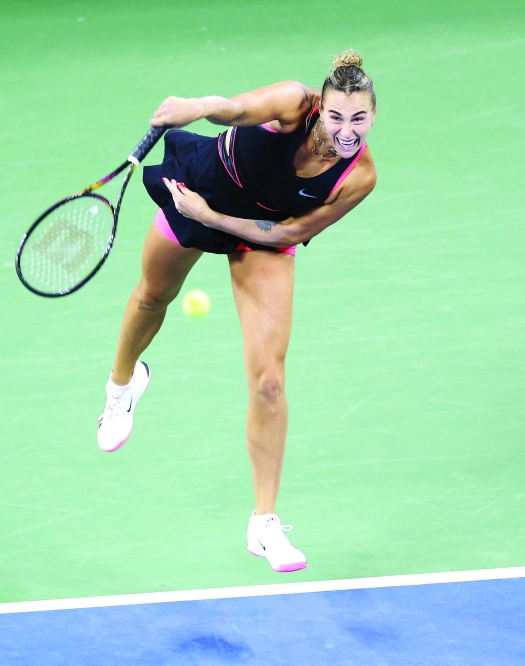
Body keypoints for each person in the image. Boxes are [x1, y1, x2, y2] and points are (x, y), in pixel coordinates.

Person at [97, 51, 377, 572]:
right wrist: (195, 106)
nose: (347, 128)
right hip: (204, 184)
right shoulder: (293, 103)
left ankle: (264, 524)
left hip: (262, 235)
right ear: (321, 109)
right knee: (152, 297)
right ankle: (121, 386)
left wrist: (216, 221)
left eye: (359, 118)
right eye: (338, 116)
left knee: (269, 381)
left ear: (373, 118)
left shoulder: (358, 176)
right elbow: (233, 108)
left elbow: (293, 232)